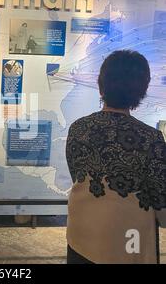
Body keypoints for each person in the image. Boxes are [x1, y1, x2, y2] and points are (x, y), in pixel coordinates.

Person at [66, 50, 166, 264]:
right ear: (141, 89)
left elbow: (78, 175)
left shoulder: (78, 128)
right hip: (129, 242)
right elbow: (161, 204)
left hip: (80, 236)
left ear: (102, 84)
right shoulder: (150, 138)